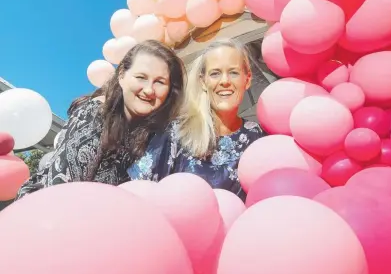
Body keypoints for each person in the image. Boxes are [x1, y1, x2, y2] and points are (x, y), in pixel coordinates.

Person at [16, 40, 185, 199]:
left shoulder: (158, 137)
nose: (149, 90)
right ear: (121, 76)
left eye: (160, 82)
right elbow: (59, 191)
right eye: (141, 77)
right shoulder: (94, 116)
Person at [128, 39, 265, 200]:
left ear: (247, 80)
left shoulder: (257, 136)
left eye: (233, 72)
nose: (225, 81)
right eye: (215, 73)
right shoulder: (177, 133)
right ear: (203, 81)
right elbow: (136, 194)